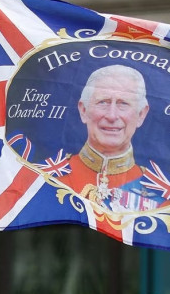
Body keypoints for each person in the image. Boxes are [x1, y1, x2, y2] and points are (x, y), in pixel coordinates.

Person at [62, 65, 149, 209]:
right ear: (83, 110)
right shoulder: (49, 177)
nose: (112, 116)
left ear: (141, 115)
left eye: (123, 103)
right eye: (102, 102)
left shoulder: (160, 194)